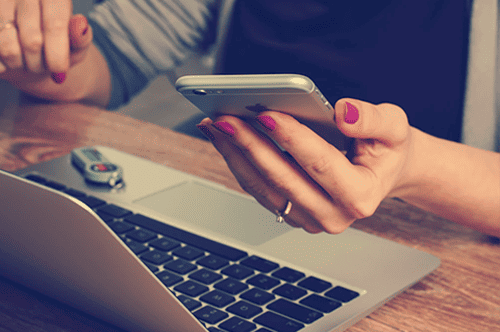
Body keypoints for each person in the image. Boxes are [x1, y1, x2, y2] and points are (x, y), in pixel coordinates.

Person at [0, 0, 498, 236]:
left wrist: (414, 166)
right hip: (232, 218)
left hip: (441, 251)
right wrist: (42, 53)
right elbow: (112, 55)